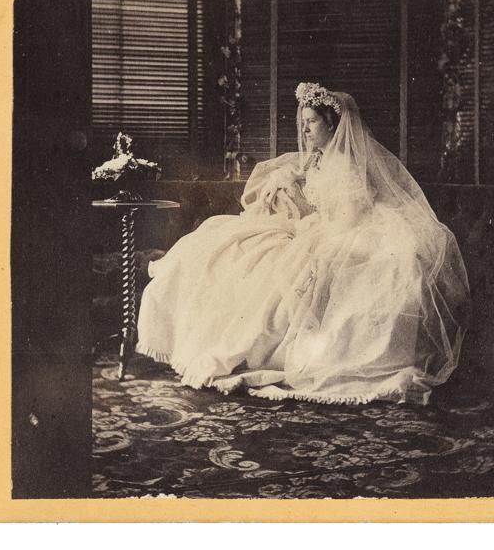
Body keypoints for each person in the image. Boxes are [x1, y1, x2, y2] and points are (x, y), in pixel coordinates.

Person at [136, 83, 469, 405]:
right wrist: (287, 191)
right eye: (303, 123)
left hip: (339, 234)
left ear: (331, 124)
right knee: (225, 243)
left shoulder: (348, 166)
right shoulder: (317, 159)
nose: (305, 131)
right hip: (308, 228)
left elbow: (344, 218)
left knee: (278, 272)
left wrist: (306, 210)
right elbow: (305, 189)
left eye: (312, 123)